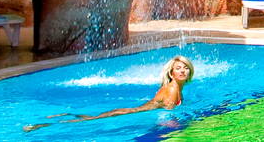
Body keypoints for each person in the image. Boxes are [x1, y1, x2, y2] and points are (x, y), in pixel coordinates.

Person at [24, 56, 193, 132]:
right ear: (171, 73)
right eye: (178, 68)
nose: (182, 71)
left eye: (185, 68)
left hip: (131, 111)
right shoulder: (172, 89)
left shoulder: (176, 87)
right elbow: (167, 116)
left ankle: (65, 114)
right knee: (89, 121)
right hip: (128, 112)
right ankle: (41, 126)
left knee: (92, 118)